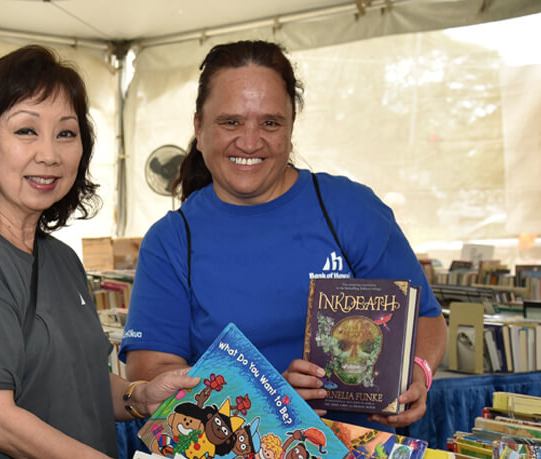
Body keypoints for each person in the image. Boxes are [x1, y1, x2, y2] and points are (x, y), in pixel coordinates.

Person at [119, 40, 447, 432]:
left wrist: (418, 371)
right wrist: (271, 397)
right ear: (199, 127)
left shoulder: (351, 210)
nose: (250, 141)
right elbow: (151, 372)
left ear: (291, 127)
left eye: (270, 123)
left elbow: (424, 318)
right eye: (231, 122)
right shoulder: (172, 240)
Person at [0, 45, 200, 458]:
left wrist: (139, 396)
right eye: (26, 130)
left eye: (66, 133)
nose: (49, 154)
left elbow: (81, 383)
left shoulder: (61, 259)